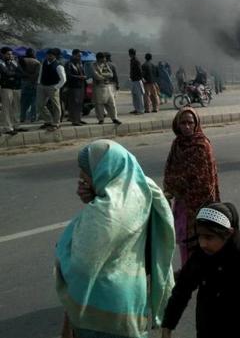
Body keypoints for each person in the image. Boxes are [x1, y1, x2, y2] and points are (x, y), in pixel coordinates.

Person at [55, 139, 175, 338]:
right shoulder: (143, 189)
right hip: (132, 301)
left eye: (86, 171)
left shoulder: (106, 211)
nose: (82, 177)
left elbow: (82, 265)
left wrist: (63, 250)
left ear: (104, 171)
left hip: (102, 308)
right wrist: (95, 197)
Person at [160, 202, 240, 338]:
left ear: (228, 233)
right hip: (205, 329)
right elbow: (182, 290)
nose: (203, 243)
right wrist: (168, 325)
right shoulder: (200, 256)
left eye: (209, 237)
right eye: (200, 237)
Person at [164, 107, 220, 265]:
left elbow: (202, 179)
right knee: (184, 240)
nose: (187, 126)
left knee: (201, 240)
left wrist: (178, 185)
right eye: (183, 123)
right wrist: (170, 189)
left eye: (190, 122)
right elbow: (169, 169)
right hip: (182, 203)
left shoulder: (202, 145)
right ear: (177, 125)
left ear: (196, 124)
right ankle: (188, 272)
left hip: (200, 203)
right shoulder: (177, 144)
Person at [36, 48, 65, 131]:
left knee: (55, 105)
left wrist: (56, 87)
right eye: (48, 54)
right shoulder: (44, 62)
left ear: (55, 56)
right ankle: (48, 120)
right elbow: (41, 73)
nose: (48, 56)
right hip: (42, 86)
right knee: (40, 105)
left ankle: (56, 123)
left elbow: (63, 79)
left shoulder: (59, 66)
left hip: (53, 86)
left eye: (51, 55)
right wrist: (39, 83)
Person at [92, 52, 121, 125]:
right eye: (104, 58)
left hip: (108, 87)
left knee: (111, 103)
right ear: (100, 58)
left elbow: (111, 74)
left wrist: (102, 75)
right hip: (99, 87)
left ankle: (114, 118)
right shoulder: (94, 65)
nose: (105, 59)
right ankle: (101, 119)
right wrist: (105, 77)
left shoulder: (106, 65)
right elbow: (96, 76)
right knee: (99, 104)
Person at [0, 47, 24, 135]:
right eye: (8, 54)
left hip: (16, 87)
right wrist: (14, 74)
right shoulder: (1, 62)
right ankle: (8, 127)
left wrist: (12, 75)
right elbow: (5, 73)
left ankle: (16, 126)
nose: (10, 55)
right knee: (7, 108)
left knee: (17, 107)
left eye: (11, 54)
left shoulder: (15, 62)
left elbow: (22, 73)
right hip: (6, 87)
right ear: (3, 54)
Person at [65, 49, 87, 126]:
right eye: (78, 56)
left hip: (81, 86)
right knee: (74, 103)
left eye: (80, 56)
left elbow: (83, 73)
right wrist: (79, 77)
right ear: (73, 55)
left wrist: (83, 77)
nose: (80, 57)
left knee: (80, 103)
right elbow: (69, 75)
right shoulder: (69, 64)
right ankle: (74, 121)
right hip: (73, 86)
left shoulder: (80, 63)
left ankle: (78, 119)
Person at [19, 48, 40, 123]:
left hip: (24, 82)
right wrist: (32, 78)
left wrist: (26, 76)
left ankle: (22, 118)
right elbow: (37, 74)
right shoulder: (37, 62)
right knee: (33, 102)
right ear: (33, 53)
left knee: (24, 101)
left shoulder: (22, 60)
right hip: (34, 83)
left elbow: (19, 71)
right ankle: (33, 118)